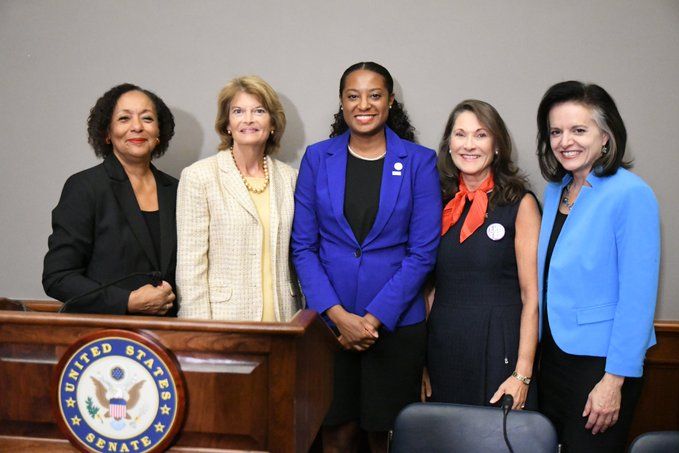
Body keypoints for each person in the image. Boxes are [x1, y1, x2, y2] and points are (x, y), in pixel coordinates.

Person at [291, 62, 441, 453]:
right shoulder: (317, 158)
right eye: (353, 96)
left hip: (393, 326)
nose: (364, 104)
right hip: (329, 328)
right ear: (341, 103)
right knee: (335, 434)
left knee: (384, 437)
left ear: (390, 101)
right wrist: (338, 316)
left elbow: (422, 253)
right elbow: (303, 247)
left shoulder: (418, 162)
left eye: (374, 95)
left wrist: (371, 321)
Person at [536, 81, 660, 452]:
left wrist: (614, 380)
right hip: (554, 358)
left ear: (606, 136)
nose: (565, 141)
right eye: (555, 131)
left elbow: (638, 297)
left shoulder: (631, 193)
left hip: (601, 365)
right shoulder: (555, 189)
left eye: (578, 130)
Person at [425, 100, 541, 411]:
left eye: (481, 135)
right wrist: (421, 362)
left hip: (498, 345)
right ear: (449, 144)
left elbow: (532, 296)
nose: (469, 145)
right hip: (444, 345)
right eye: (460, 135)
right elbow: (429, 289)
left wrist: (523, 373)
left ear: (498, 145)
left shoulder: (521, 204)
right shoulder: (435, 201)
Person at [43, 83, 178, 315]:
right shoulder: (85, 187)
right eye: (124, 119)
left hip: (169, 336)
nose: (137, 127)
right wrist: (127, 301)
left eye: (147, 118)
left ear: (159, 133)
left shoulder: (178, 190)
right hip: (104, 338)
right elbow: (58, 277)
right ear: (106, 133)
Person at [176, 76, 300, 322]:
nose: (249, 119)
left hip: (285, 320)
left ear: (273, 123)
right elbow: (191, 266)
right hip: (224, 321)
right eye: (238, 111)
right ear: (227, 124)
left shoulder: (291, 179)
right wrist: (200, 333)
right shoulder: (199, 177)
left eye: (259, 111)